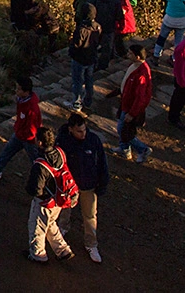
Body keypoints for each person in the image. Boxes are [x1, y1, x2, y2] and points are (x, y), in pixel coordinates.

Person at [58, 111, 110, 264]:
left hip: (89, 186)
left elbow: (102, 163)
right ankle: (62, 228)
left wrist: (103, 183)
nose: (83, 134)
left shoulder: (93, 141)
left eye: (84, 130)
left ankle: (91, 244)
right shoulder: (63, 141)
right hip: (69, 185)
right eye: (79, 131)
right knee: (64, 209)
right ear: (70, 129)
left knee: (90, 215)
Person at [24, 126, 78, 264]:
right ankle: (62, 250)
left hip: (45, 202)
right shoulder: (60, 153)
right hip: (59, 199)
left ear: (40, 142)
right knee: (50, 223)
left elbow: (35, 189)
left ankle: (38, 255)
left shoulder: (41, 164)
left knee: (37, 227)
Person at [0, 74, 42, 178]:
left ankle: (42, 179)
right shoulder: (22, 101)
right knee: (8, 150)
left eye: (18, 89)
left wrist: (25, 135)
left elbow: (32, 127)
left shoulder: (31, 108)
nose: (16, 91)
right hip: (20, 133)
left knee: (35, 159)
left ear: (26, 91)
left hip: (28, 138)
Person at [115, 43, 153, 162]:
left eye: (130, 53)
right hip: (126, 102)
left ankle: (142, 149)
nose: (127, 55)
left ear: (137, 57)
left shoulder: (141, 73)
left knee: (123, 129)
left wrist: (132, 113)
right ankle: (124, 149)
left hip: (130, 107)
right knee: (124, 129)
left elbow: (140, 96)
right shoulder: (135, 66)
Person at [67, 2, 101, 112]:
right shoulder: (97, 27)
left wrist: (71, 51)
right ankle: (88, 101)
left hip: (79, 59)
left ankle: (77, 103)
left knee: (77, 81)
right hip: (91, 58)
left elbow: (77, 45)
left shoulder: (81, 29)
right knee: (89, 80)